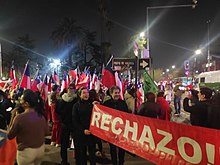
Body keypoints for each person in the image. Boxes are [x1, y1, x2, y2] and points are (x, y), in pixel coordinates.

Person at [7, 89, 49, 165]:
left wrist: (12, 117)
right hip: (40, 150)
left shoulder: (19, 118)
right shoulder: (41, 116)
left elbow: (10, 135)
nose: (20, 102)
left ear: (26, 103)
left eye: (21, 100)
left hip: (26, 152)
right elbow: (46, 132)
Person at [103, 86, 129, 165]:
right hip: (111, 130)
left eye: (118, 93)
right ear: (111, 94)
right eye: (115, 93)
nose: (117, 94)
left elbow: (127, 115)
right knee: (112, 148)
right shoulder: (107, 104)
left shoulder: (123, 103)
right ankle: (114, 162)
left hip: (121, 130)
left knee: (122, 148)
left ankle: (121, 162)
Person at [72, 86, 97, 165]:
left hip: (91, 133)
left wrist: (98, 105)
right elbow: (75, 121)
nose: (86, 94)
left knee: (92, 154)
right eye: (84, 93)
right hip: (81, 134)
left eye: (87, 93)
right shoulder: (76, 106)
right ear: (80, 95)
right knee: (82, 155)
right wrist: (83, 130)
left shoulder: (93, 104)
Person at [56, 83, 78, 165]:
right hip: (66, 124)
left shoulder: (77, 100)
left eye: (72, 88)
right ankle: (64, 161)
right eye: (70, 88)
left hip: (74, 125)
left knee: (77, 144)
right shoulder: (61, 100)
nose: (71, 89)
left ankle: (77, 159)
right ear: (67, 89)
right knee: (64, 144)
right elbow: (57, 111)